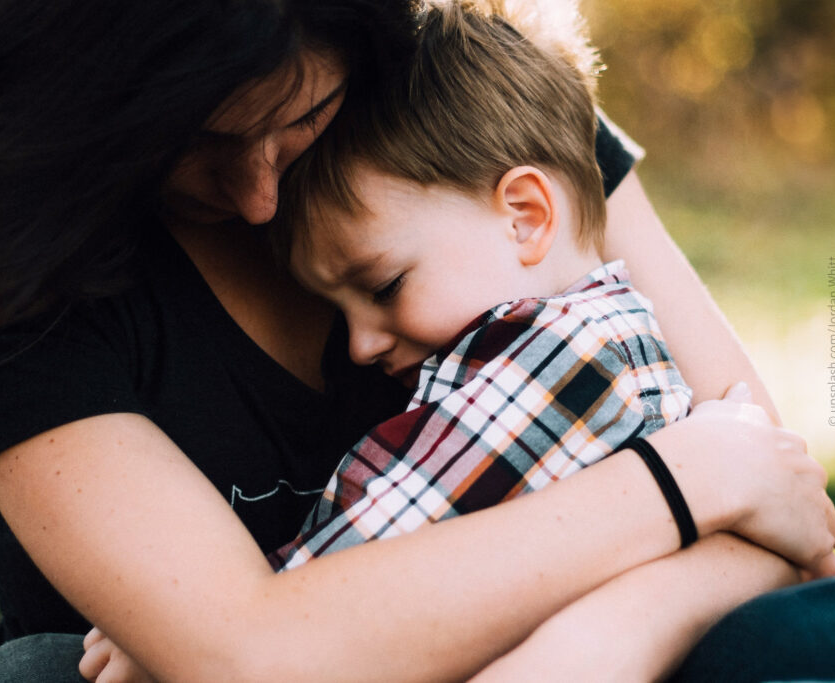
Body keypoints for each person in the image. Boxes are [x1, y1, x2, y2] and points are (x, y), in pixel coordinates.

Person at [0, 0, 835, 681]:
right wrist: (680, 484)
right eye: (194, 144)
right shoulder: (5, 276)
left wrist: (608, 638)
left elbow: (786, 514)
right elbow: (246, 658)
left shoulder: (467, 106)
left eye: (298, 118)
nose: (259, 196)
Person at [267, 0, 694, 570]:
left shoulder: (567, 355)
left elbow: (380, 546)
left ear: (525, 218)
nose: (359, 345)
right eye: (337, 311)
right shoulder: (591, 337)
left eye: (385, 286)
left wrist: (190, 633)